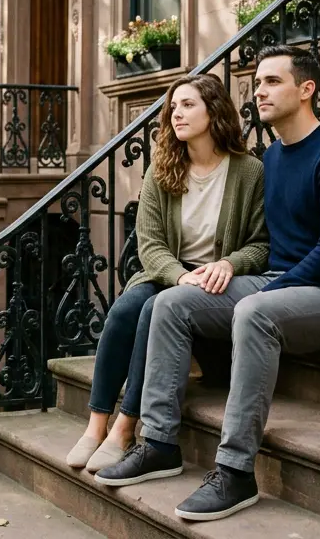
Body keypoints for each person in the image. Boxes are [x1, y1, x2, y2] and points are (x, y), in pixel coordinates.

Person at [94, 45, 320, 523]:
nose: (259, 91)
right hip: (282, 284)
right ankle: (159, 442)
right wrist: (234, 270)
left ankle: (235, 471)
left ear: (306, 89)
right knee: (171, 302)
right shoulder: (271, 158)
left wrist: (270, 287)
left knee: (254, 311)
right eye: (258, 81)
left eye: (272, 81)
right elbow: (261, 241)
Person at [65, 74, 269, 473]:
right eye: (173, 107)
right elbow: (150, 244)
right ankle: (95, 425)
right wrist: (178, 276)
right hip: (169, 273)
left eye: (188, 105)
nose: (177, 113)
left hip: (216, 282)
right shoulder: (162, 170)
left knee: (153, 312)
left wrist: (229, 264)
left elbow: (261, 245)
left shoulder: (249, 173)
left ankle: (125, 427)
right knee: (125, 310)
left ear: (214, 111)